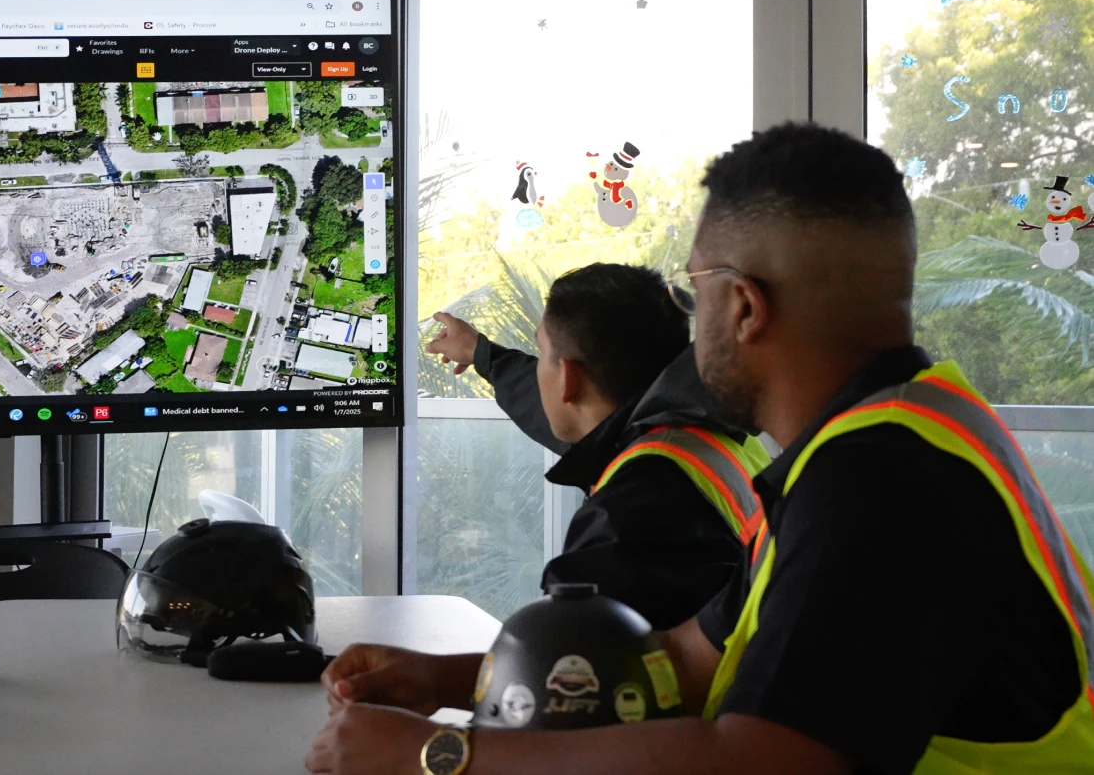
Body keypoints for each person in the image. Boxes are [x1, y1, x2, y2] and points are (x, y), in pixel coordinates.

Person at [307, 123, 1094, 775]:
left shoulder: (878, 483)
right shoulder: (905, 435)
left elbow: (760, 761)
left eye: (695, 291)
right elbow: (680, 661)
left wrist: (442, 755)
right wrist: (440, 679)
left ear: (745, 305)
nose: (690, 326)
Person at [425, 265, 769, 630]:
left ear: (569, 378)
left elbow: (569, 669)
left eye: (542, 352)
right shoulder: (699, 433)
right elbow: (561, 406)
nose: (540, 372)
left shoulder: (631, 517)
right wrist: (483, 355)